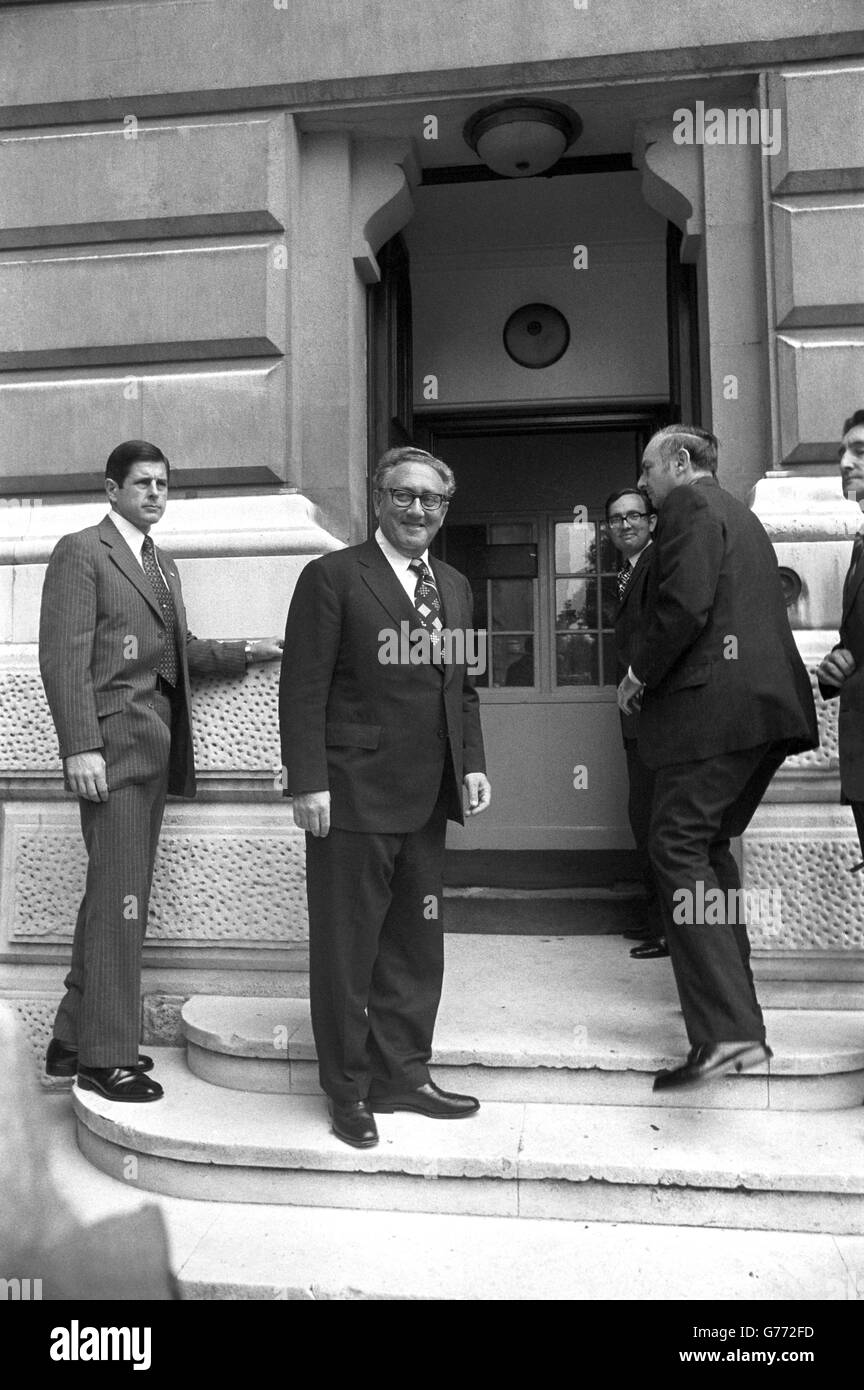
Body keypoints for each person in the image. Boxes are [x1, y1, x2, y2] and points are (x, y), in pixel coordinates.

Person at [39, 440, 283, 1102]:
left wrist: (247, 651)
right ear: (111, 489)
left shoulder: (161, 565)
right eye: (142, 483)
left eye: (163, 485)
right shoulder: (81, 552)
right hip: (112, 753)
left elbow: (180, 652)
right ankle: (104, 1057)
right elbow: (63, 658)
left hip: (156, 750)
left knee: (111, 899)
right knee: (122, 905)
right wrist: (79, 747)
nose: (154, 494)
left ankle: (69, 1041)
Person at [279, 446, 490, 1148]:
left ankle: (405, 1075)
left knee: (414, 946)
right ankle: (347, 1091)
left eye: (432, 500)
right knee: (348, 951)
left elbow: (460, 687)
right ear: (378, 499)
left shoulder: (455, 585)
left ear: (445, 509)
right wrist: (307, 781)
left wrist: (474, 765)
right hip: (352, 796)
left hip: (428, 796)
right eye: (404, 496)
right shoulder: (333, 577)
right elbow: (302, 688)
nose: (418, 510)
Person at [617, 425, 818, 1090]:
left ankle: (730, 1034)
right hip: (760, 713)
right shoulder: (740, 512)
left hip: (716, 713)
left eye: (648, 470)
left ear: (679, 461)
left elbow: (686, 604)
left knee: (673, 848)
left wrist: (639, 674)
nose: (644, 486)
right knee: (705, 851)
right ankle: (740, 1023)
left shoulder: (691, 506)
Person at [606, 487, 668, 960]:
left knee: (659, 822)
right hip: (637, 722)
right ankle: (655, 920)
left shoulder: (659, 562)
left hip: (660, 719)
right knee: (642, 817)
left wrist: (639, 680)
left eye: (634, 516)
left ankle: (669, 930)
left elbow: (667, 632)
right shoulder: (626, 571)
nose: (625, 525)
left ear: (650, 521)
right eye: (615, 520)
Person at [817, 410, 864, 855]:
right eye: (843, 453)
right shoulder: (858, 545)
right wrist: (833, 668)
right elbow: (853, 643)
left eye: (861, 451)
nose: (846, 463)